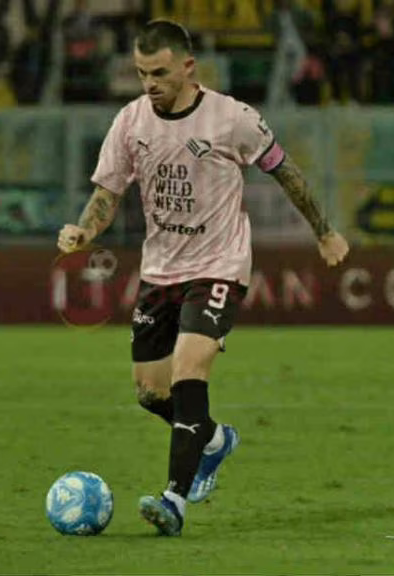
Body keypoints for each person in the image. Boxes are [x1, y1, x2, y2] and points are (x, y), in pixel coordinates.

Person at [57, 19, 349, 536]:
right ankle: (213, 440)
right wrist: (84, 230)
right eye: (142, 73)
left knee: (189, 371)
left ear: (188, 67)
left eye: (160, 72)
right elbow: (108, 193)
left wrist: (324, 232)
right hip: (159, 270)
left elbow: (285, 170)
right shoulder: (130, 122)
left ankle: (173, 500)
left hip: (219, 266)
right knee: (150, 392)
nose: (149, 83)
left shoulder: (232, 118)